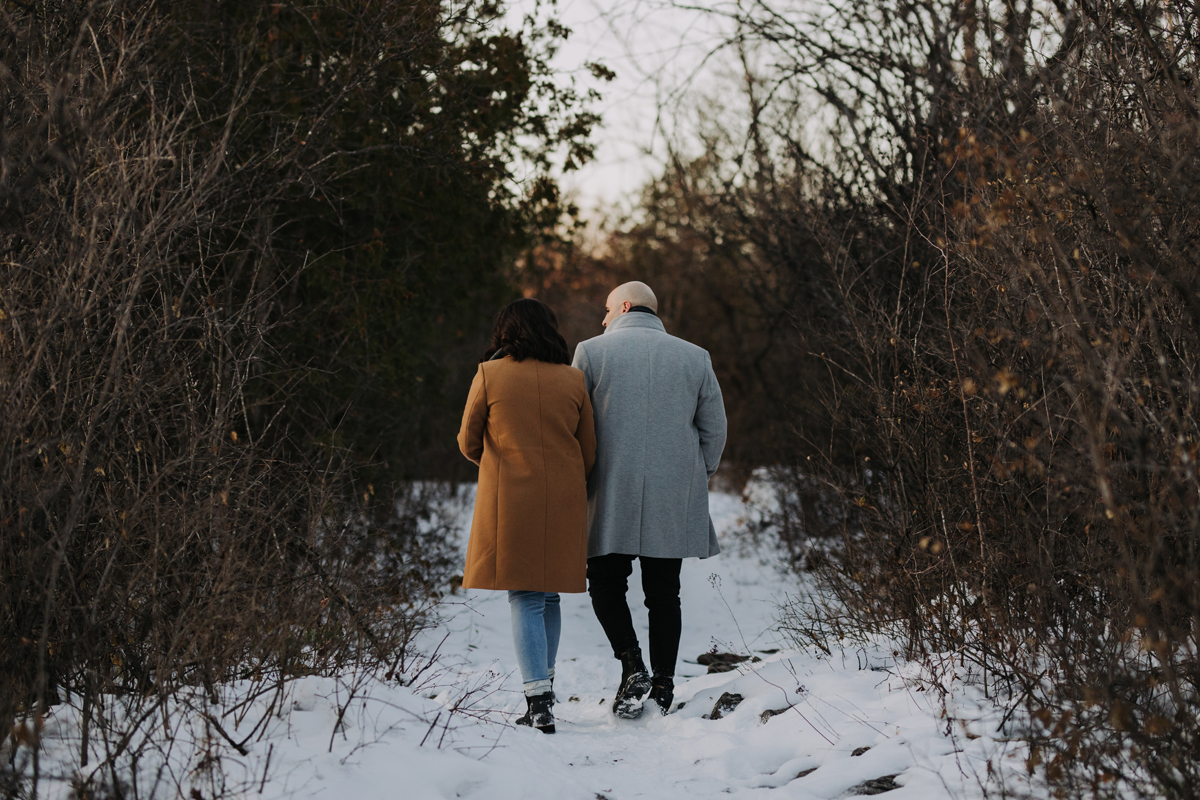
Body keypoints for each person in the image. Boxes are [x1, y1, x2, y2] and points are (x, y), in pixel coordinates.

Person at [571, 281, 727, 718]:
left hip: (608, 487)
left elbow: (575, 422)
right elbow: (714, 428)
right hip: (672, 489)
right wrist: (698, 473)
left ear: (623, 306)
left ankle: (631, 662)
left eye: (605, 309)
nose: (602, 319)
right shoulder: (695, 357)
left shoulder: (590, 352)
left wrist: (580, 475)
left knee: (604, 581)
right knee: (664, 593)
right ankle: (662, 684)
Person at [457, 298, 597, 734]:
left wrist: (500, 466)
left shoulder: (489, 374)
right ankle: (545, 694)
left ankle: (537, 701)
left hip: (510, 500)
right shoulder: (574, 380)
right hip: (562, 499)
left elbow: (467, 440)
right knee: (548, 596)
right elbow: (589, 451)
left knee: (525, 596)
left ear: (505, 331)